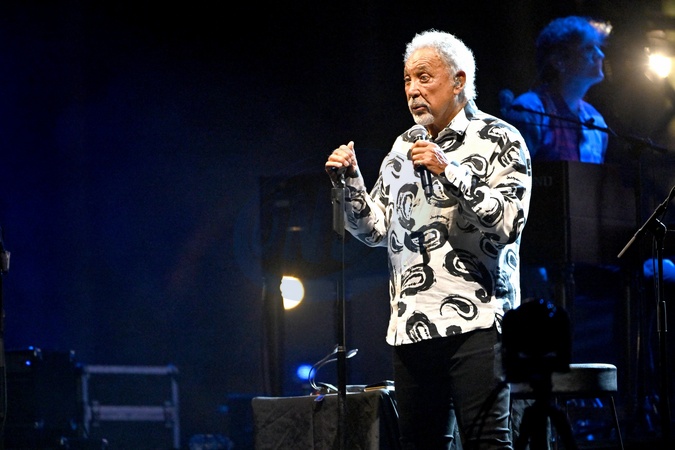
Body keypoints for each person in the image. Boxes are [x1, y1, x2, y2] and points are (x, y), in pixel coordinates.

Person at [325, 29, 532, 450]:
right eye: (407, 80)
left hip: (478, 323)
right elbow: (376, 231)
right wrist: (350, 183)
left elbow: (509, 223)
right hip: (412, 325)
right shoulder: (404, 145)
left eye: (424, 77)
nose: (413, 90)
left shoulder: (500, 138)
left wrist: (448, 170)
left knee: (487, 442)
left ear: (458, 82)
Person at [503, 16, 612, 164]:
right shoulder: (529, 110)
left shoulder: (596, 120)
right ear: (558, 61)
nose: (600, 55)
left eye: (598, 47)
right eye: (589, 48)